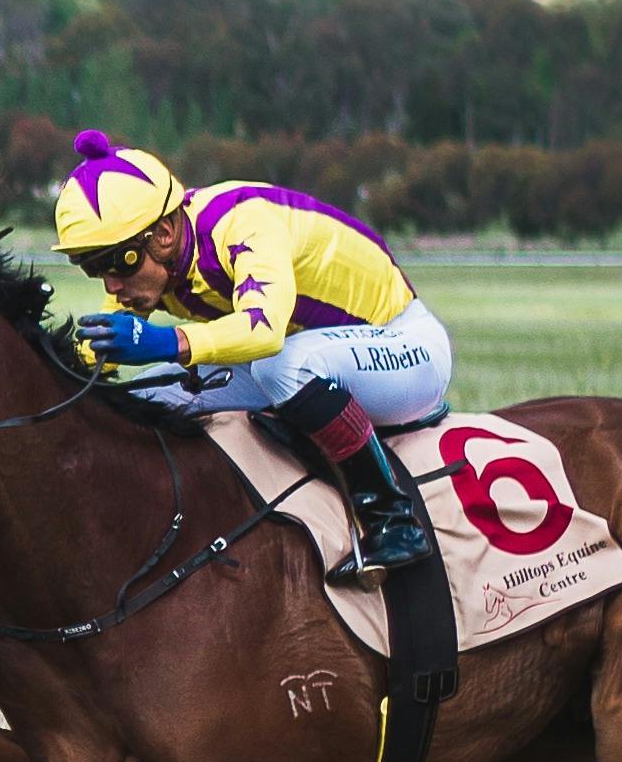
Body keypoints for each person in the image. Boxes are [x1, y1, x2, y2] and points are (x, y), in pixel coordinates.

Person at [46, 129, 449, 575]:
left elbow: (264, 331)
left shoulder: (242, 223)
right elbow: (93, 350)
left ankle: (392, 520)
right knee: (146, 395)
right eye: (91, 267)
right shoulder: (155, 257)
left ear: (163, 233)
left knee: (282, 365)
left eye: (116, 262)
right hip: (318, 353)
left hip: (403, 346)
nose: (110, 284)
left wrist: (172, 342)